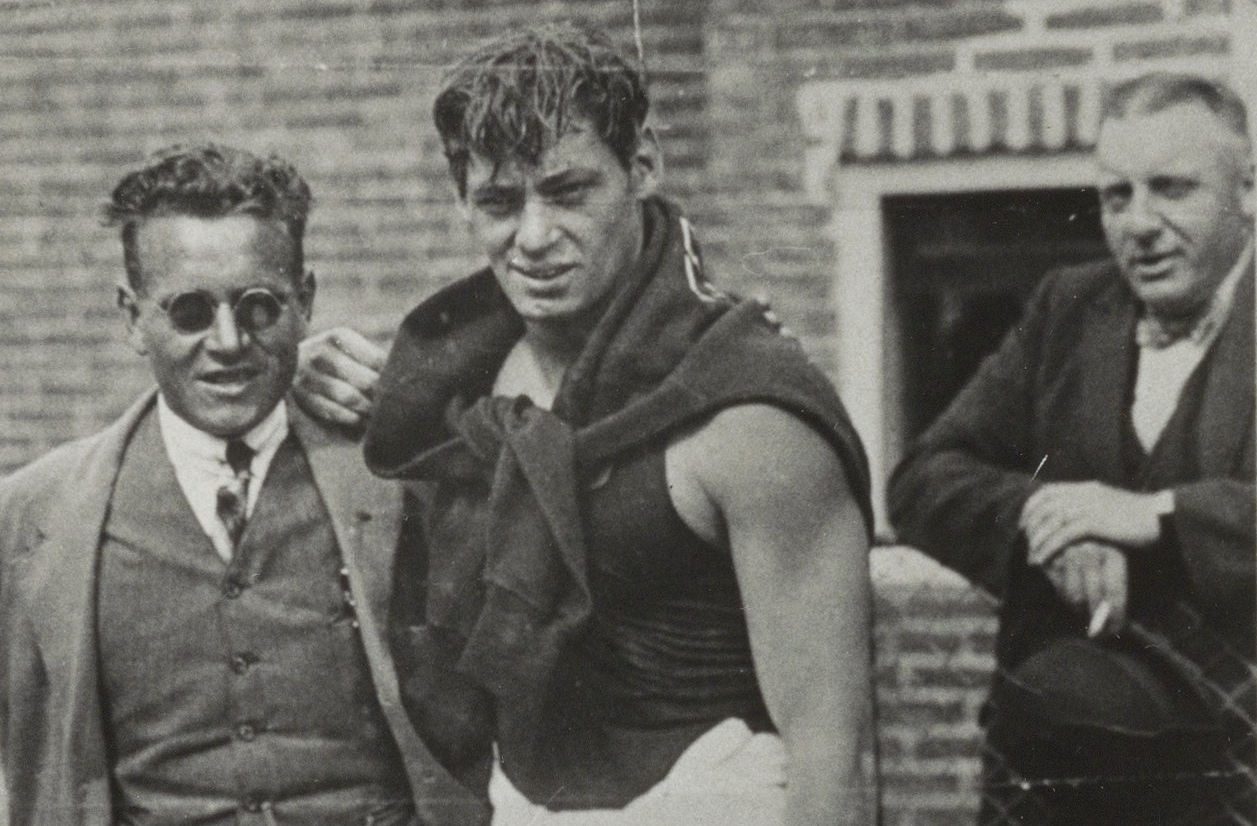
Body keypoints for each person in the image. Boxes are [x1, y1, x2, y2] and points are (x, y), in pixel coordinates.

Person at [296, 22, 876, 826]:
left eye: (568, 192)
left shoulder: (748, 413)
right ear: (461, 200)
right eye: (499, 202)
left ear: (642, 166)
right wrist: (293, 382)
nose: (534, 238)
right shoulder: (452, 389)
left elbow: (829, 761)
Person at [0, 144, 487, 826]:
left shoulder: (397, 478)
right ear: (133, 317)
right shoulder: (34, 518)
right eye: (189, 311)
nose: (227, 342)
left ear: (304, 301)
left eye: (259, 307)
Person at [889, 73, 1256, 826]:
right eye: (1116, 196)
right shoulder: (1068, 307)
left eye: (1172, 188)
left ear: (1247, 188)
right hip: (1066, 763)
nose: (1139, 224)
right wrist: (1050, 522)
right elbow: (924, 475)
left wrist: (1154, 515)